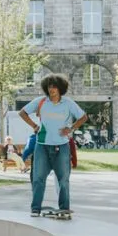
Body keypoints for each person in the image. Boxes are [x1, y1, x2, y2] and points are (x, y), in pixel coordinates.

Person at [19, 74, 87, 217]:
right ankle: (35, 209)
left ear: (60, 88)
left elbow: (83, 117)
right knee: (38, 178)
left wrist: (71, 128)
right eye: (49, 86)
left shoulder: (68, 103)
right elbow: (23, 112)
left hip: (62, 146)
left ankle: (64, 208)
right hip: (42, 145)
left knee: (63, 180)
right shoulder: (41, 101)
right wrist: (34, 126)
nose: (52, 89)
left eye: (55, 86)